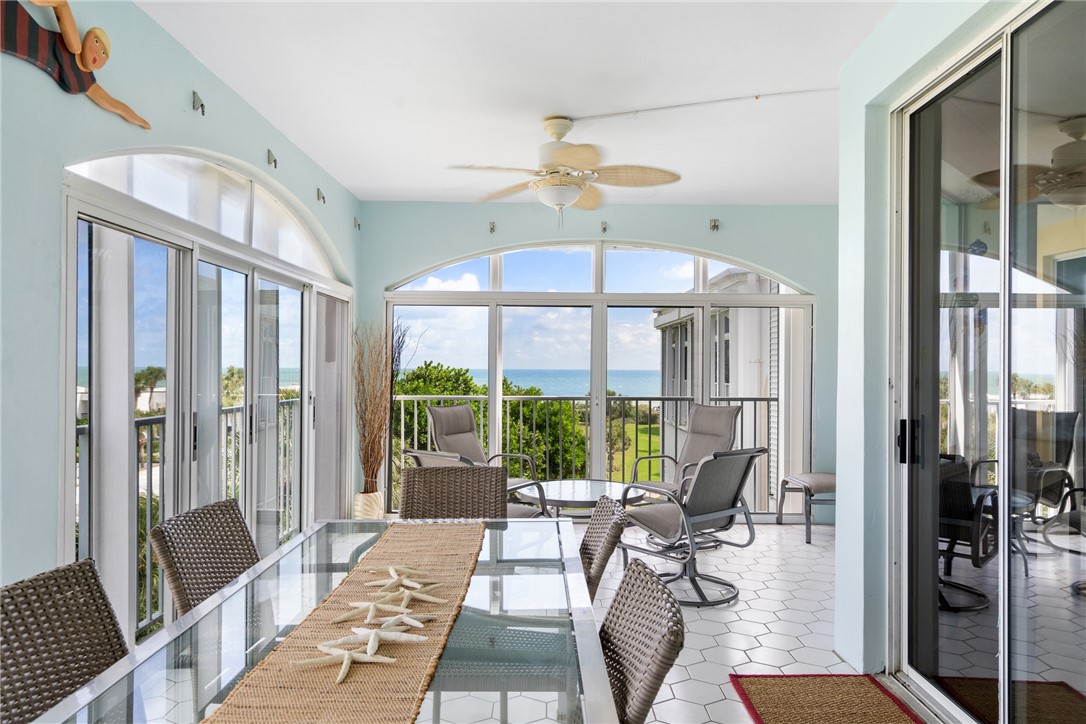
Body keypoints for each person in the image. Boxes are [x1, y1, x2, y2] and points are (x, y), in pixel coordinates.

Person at [0, 0, 150, 128]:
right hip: (20, 28)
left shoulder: (87, 83)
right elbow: (62, 8)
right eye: (96, 42)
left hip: (18, 44)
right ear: (87, 39)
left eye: (104, 53)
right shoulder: (75, 46)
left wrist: (140, 120)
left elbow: (115, 105)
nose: (98, 54)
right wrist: (60, 5)